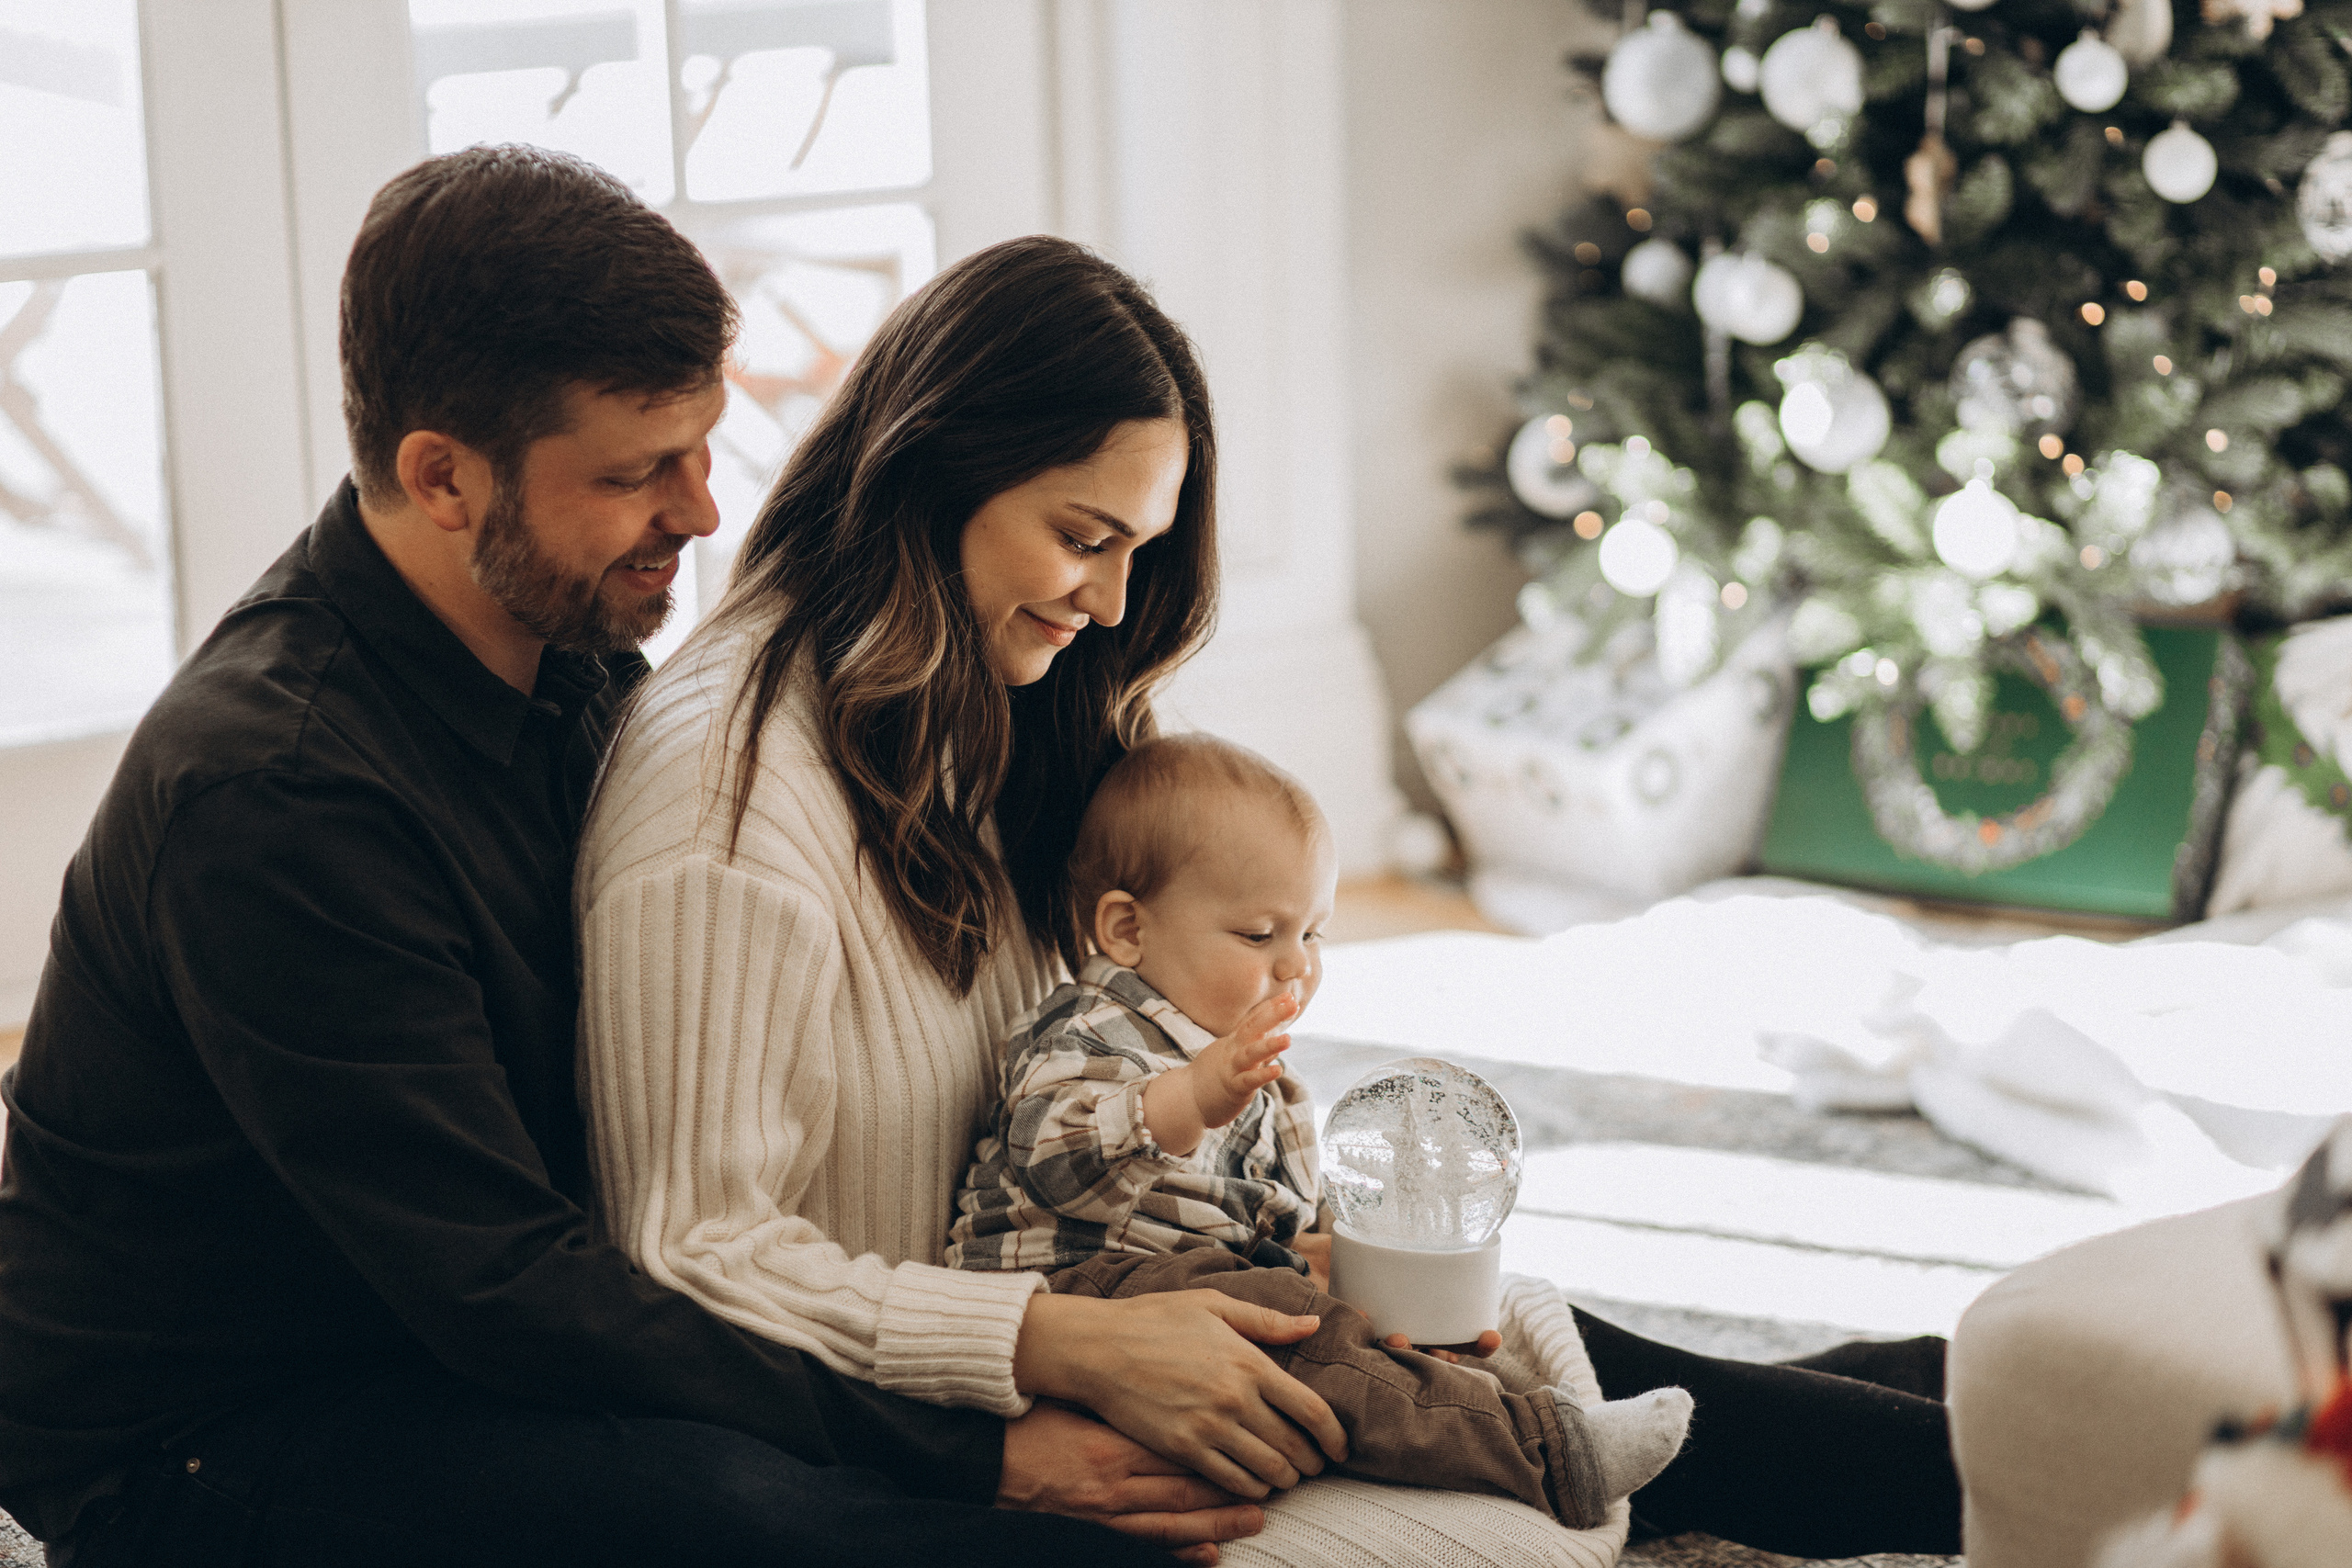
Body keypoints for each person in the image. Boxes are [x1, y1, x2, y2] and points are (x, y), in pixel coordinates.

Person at [578, 230, 1966, 1562]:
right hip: (923, 1395)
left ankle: (1968, 1399)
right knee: (1474, 1391)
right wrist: (1046, 1348)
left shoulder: (973, 701)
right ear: (935, 472)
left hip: (1068, 1292)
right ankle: (2016, 1449)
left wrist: (1264, 1221)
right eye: (1083, 536)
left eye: (1140, 548)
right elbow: (690, 1253)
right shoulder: (727, 805)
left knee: (1499, 1333)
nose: (1115, 605)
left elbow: (1081, 1079)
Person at [0, 147, 1229, 1568]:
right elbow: (504, 1287)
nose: (705, 512)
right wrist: (977, 1443)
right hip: (213, 1423)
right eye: (640, 471)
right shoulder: (278, 794)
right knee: (773, 1515)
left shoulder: (565, 652)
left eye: (705, 446)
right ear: (442, 477)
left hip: (444, 1334)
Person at [946, 732, 1695, 1529]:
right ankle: (1550, 1455)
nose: (1296, 965)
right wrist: (1191, 1095)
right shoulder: (1091, 1028)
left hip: (1199, 1284)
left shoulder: (1254, 1071)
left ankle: (1519, 1407)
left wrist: (1358, 1262)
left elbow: (1279, 1211)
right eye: (1259, 934)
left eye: (1313, 933)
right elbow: (1054, 1160)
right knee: (1299, 1326)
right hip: (1081, 1294)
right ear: (1129, 931)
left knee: (1394, 1325)